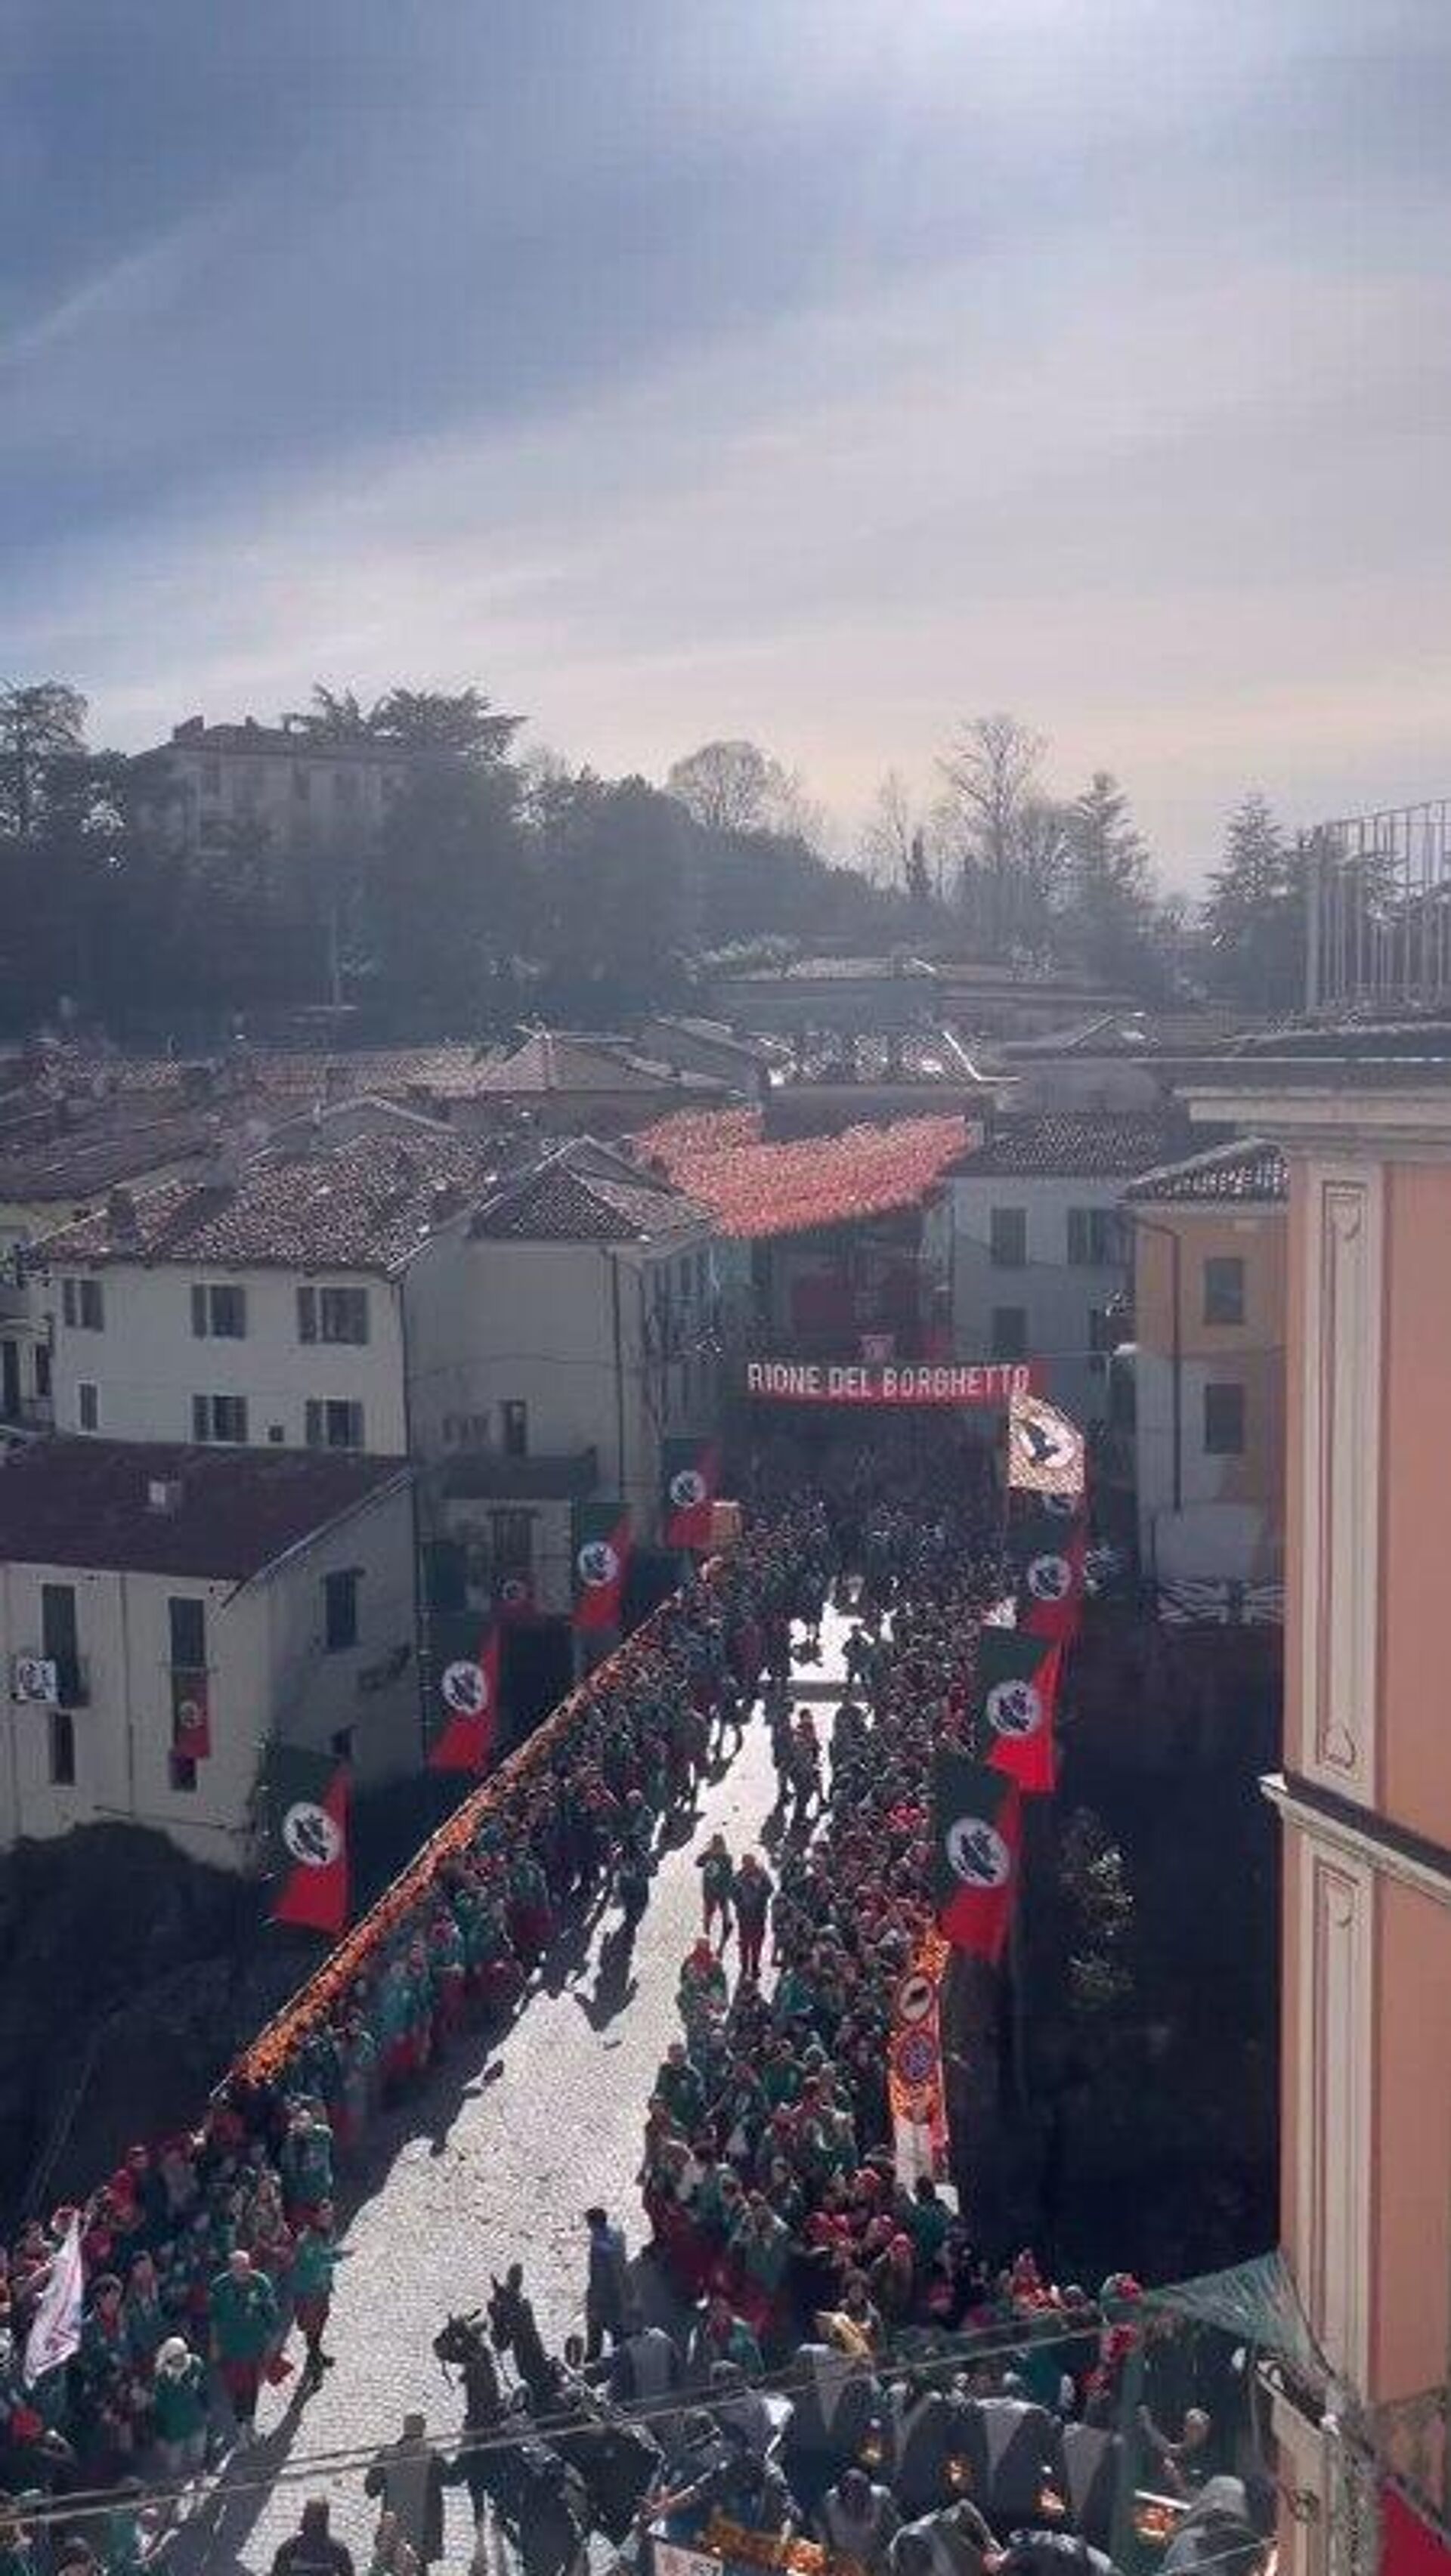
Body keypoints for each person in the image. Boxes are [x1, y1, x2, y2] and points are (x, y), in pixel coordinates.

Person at [209, 2247, 279, 2444]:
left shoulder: (260, 2282)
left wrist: (274, 2341)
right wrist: (214, 2344)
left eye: (247, 2266)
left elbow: (271, 2312)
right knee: (236, 2390)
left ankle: (251, 2427)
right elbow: (214, 2318)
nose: (244, 2271)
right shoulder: (220, 2286)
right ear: (231, 2268)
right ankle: (241, 2430)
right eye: (239, 2267)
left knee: (252, 2388)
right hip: (231, 2348)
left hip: (255, 2346)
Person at [364, 2414, 447, 2571]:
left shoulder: (386, 2455)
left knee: (392, 2566)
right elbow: (451, 2478)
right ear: (423, 2431)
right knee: (420, 2567)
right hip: (424, 2530)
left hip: (395, 2528)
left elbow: (370, 2490)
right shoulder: (433, 2456)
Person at [816, 2465, 902, 2574]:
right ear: (842, 2499)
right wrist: (828, 2548)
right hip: (843, 2560)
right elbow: (818, 2521)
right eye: (854, 2502)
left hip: (874, 2561)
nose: (859, 2506)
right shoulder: (830, 2500)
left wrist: (883, 2557)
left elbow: (897, 2533)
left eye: (862, 2500)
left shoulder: (882, 2498)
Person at [152, 2333, 209, 2485]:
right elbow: (159, 2407)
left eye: (183, 2353)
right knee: (174, 2464)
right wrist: (160, 2434)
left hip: (196, 2420)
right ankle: (174, 2488)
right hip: (175, 2428)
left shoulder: (196, 2364)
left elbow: (203, 2388)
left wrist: (207, 2409)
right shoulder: (163, 2377)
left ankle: (198, 2482)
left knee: (197, 2457)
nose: (183, 2358)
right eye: (178, 2356)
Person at [583, 2209, 632, 2362]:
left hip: (604, 2295)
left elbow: (600, 2275)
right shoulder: (617, 2235)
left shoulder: (599, 2244)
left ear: (594, 2224)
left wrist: (594, 2301)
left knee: (595, 2330)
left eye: (589, 2224)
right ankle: (623, 2359)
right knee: (619, 2331)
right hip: (620, 2293)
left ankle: (593, 2363)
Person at [271, 2500, 356, 2576]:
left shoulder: (289, 2547)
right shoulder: (338, 2550)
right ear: (325, 2521)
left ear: (305, 2519)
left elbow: (277, 2573)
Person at [732, 1855, 773, 1984]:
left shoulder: (762, 1874)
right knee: (744, 1943)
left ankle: (754, 1965)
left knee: (757, 1943)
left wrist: (759, 1888)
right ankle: (744, 1966)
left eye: (750, 1864)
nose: (748, 1867)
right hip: (744, 1916)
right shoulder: (739, 1876)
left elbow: (770, 1889)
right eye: (746, 1865)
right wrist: (739, 1903)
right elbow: (732, 1893)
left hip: (758, 1915)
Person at [698, 1835, 735, 1950]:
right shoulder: (708, 1856)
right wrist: (707, 1853)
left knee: (724, 1912)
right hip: (709, 1890)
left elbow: (729, 1875)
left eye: (718, 1845)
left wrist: (727, 1889)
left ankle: (726, 1928)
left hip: (722, 1891)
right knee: (708, 1913)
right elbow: (698, 1863)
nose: (716, 1848)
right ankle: (706, 1932)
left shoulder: (727, 1858)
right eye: (714, 1845)